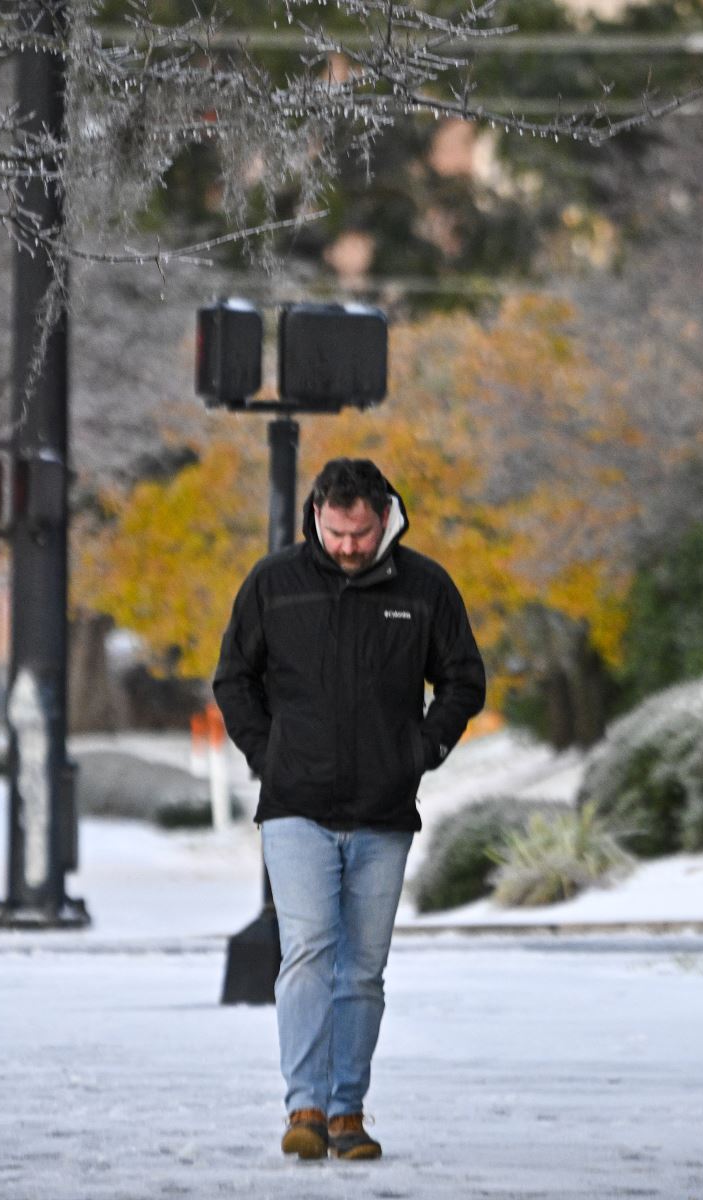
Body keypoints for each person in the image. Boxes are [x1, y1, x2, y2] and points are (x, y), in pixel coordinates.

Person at [213, 457, 486, 1162]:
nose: (347, 547)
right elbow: (233, 678)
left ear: (384, 517)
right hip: (295, 804)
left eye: (360, 533)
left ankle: (347, 1111)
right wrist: (267, 756)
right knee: (307, 952)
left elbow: (463, 679)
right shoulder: (274, 584)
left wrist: (420, 751)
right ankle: (304, 1105)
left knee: (362, 969)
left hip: (382, 810)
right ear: (316, 517)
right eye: (334, 532)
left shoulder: (424, 588)